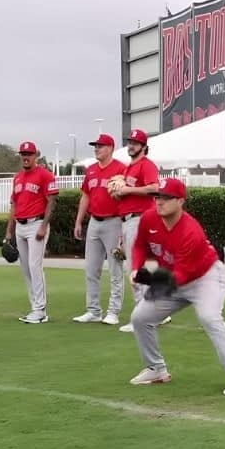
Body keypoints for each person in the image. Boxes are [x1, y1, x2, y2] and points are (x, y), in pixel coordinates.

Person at [127, 178, 225, 396]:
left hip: (206, 278)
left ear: (181, 201)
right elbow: (139, 245)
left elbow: (182, 275)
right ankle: (156, 369)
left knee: (209, 317)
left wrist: (153, 280)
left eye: (166, 198)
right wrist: (136, 269)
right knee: (140, 318)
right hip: (175, 277)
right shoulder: (149, 218)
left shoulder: (191, 231)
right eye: (157, 196)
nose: (159, 201)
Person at [112, 128, 170, 333]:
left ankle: (143, 317)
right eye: (130, 142)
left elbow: (155, 187)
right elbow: (129, 195)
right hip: (128, 220)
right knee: (138, 269)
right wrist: (119, 193)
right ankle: (155, 312)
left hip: (140, 219)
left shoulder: (147, 165)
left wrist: (127, 190)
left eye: (135, 142)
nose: (131, 145)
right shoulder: (128, 168)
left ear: (144, 146)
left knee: (135, 270)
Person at [72, 133, 127, 325]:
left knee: (115, 268)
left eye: (100, 146)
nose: (96, 149)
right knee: (91, 269)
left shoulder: (121, 168)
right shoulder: (92, 170)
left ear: (111, 147)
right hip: (94, 222)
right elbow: (85, 196)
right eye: (95, 146)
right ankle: (93, 310)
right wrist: (79, 221)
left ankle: (113, 311)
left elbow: (127, 196)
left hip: (114, 222)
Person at [6, 140, 58, 324]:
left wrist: (44, 226)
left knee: (35, 267)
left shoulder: (45, 175)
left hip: (36, 223)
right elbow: (14, 205)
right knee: (26, 268)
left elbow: (52, 201)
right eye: (23, 154)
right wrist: (9, 233)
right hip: (20, 225)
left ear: (36, 155)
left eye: (29, 154)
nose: (26, 157)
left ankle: (40, 310)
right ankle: (34, 306)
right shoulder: (17, 178)